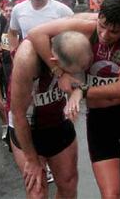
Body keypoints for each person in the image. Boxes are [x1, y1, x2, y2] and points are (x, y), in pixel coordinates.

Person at [28, 0, 120, 199]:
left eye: (114, 32)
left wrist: (81, 90)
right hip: (100, 121)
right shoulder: (86, 27)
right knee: (110, 195)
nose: (104, 35)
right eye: (102, 26)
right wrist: (60, 73)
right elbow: (35, 33)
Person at [10, 31, 92, 198]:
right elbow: (18, 115)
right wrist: (32, 160)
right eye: (69, 71)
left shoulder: (73, 46)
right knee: (37, 190)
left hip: (57, 123)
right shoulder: (27, 59)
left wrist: (77, 93)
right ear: (54, 62)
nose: (74, 75)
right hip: (27, 127)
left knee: (68, 185)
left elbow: (82, 81)